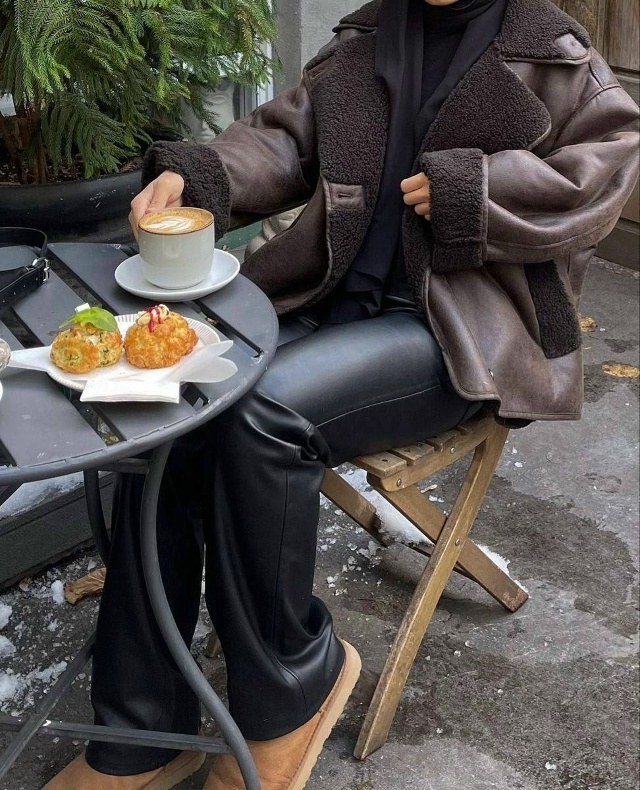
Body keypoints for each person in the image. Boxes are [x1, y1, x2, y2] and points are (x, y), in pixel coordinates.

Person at [43, 0, 639, 788]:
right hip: (326, 300)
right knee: (172, 402)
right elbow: (285, 141)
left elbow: (602, 177)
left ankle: (294, 689)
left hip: (454, 330)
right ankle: (140, 731)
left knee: (260, 413)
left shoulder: (558, 58)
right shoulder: (367, 39)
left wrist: (480, 189)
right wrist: (197, 173)